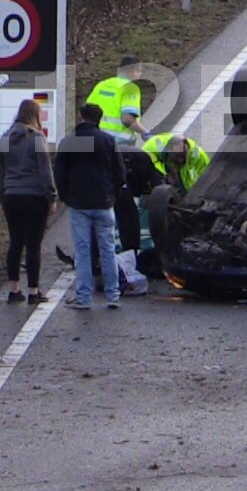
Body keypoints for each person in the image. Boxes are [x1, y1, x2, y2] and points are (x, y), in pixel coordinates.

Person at [52, 103, 126, 309]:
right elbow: (120, 173)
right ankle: (113, 295)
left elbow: (59, 173)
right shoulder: (108, 141)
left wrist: (66, 196)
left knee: (83, 251)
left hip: (79, 203)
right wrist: (112, 194)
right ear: (99, 118)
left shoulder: (69, 142)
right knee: (108, 250)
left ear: (81, 116)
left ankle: (84, 297)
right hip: (103, 202)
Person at [0, 98, 56, 305]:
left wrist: (2, 196)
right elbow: (45, 171)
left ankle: (14, 290)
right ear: (35, 115)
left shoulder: (5, 138)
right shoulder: (37, 138)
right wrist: (51, 196)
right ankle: (33, 290)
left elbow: (1, 172)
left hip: (11, 195)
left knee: (15, 242)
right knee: (33, 245)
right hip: (34, 195)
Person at [87, 56, 149, 257]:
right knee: (122, 197)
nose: (139, 76)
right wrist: (144, 132)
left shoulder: (102, 85)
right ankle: (125, 248)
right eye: (139, 71)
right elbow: (127, 118)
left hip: (93, 145)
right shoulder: (130, 89)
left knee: (97, 196)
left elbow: (86, 113)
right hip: (118, 148)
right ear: (133, 71)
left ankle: (93, 248)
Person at [127, 132, 211, 198]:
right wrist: (165, 177)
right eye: (177, 157)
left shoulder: (197, 155)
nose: (180, 160)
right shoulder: (151, 150)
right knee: (152, 197)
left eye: (182, 157)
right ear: (167, 152)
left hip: (184, 178)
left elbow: (208, 175)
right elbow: (152, 171)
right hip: (148, 172)